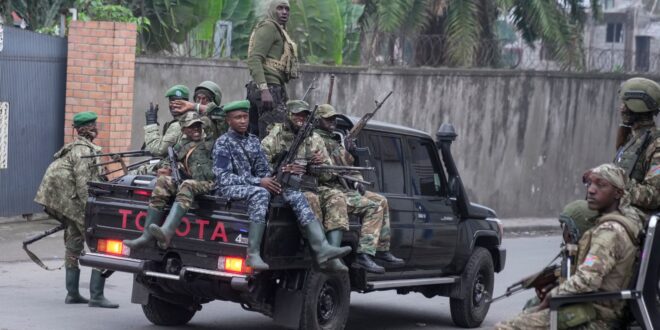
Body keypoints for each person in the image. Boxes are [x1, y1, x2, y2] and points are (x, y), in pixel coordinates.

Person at [495, 164, 644, 330]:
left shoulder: (610, 233)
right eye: (590, 184)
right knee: (525, 315)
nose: (591, 190)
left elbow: (587, 280)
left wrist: (554, 294)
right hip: (590, 307)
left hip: (597, 316)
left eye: (601, 185)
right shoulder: (618, 223)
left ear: (618, 193)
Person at [213, 100, 350, 270]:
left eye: (245, 117)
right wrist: (259, 182)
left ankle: (321, 246)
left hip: (254, 185)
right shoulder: (223, 142)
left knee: (293, 191)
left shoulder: (253, 141)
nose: (242, 121)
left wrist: (276, 177)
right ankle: (253, 253)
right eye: (237, 117)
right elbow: (222, 177)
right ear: (228, 120)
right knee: (261, 193)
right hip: (229, 187)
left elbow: (263, 170)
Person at [34, 111, 118, 308]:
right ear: (86, 129)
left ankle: (72, 294)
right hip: (78, 205)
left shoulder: (78, 148)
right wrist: (90, 211)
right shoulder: (82, 151)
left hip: (69, 205)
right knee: (100, 244)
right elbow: (83, 184)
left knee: (74, 244)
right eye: (93, 125)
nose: (96, 128)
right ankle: (96, 296)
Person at [261, 100, 350, 272]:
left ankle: (332, 255)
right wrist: (282, 168)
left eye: (304, 115)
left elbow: (328, 174)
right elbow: (260, 166)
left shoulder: (314, 139)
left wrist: (320, 163)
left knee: (337, 197)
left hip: (311, 184)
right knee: (310, 199)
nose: (300, 118)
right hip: (286, 187)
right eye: (296, 114)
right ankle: (318, 252)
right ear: (288, 115)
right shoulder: (275, 136)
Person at [314, 104, 404, 273]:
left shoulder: (333, 139)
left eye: (333, 119)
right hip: (326, 188)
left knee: (381, 200)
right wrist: (345, 152)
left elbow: (348, 168)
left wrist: (357, 182)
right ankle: (364, 255)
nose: (332, 122)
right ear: (318, 120)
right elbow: (328, 169)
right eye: (327, 119)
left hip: (342, 187)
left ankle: (382, 250)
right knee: (374, 207)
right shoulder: (315, 139)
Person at [124, 111, 215, 250]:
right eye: (191, 126)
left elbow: (218, 120)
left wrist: (197, 107)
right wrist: (166, 169)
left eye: (198, 126)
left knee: (187, 185)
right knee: (163, 181)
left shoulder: (209, 141)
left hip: (208, 183)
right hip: (189, 182)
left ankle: (167, 231)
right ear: (184, 129)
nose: (196, 129)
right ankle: (146, 236)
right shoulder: (182, 145)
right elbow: (166, 161)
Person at [246, 0, 299, 138]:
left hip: (273, 87)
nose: (284, 12)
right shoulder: (268, 27)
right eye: (280, 8)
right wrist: (264, 89)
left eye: (287, 9)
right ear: (271, 10)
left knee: (259, 137)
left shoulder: (279, 30)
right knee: (274, 137)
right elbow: (254, 59)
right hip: (267, 88)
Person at [613, 77, 660, 216]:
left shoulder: (656, 145)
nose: (621, 109)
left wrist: (613, 185)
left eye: (625, 104)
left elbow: (655, 196)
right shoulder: (632, 138)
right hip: (623, 210)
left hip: (639, 217)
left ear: (637, 106)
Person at [144, 84, 191, 157]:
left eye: (178, 102)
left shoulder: (178, 125)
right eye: (171, 101)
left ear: (186, 104)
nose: (174, 105)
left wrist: (151, 125)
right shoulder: (185, 120)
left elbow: (158, 150)